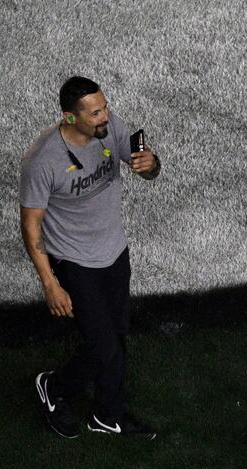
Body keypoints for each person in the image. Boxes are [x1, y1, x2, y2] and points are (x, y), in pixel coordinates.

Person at [24, 75, 162, 439]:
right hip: (73, 261)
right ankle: (54, 388)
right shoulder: (44, 160)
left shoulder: (110, 128)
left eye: (105, 107)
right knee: (104, 346)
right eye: (96, 112)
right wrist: (50, 283)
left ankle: (107, 415)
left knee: (115, 338)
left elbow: (148, 169)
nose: (106, 116)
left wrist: (150, 165)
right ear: (70, 118)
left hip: (114, 251)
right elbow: (31, 226)